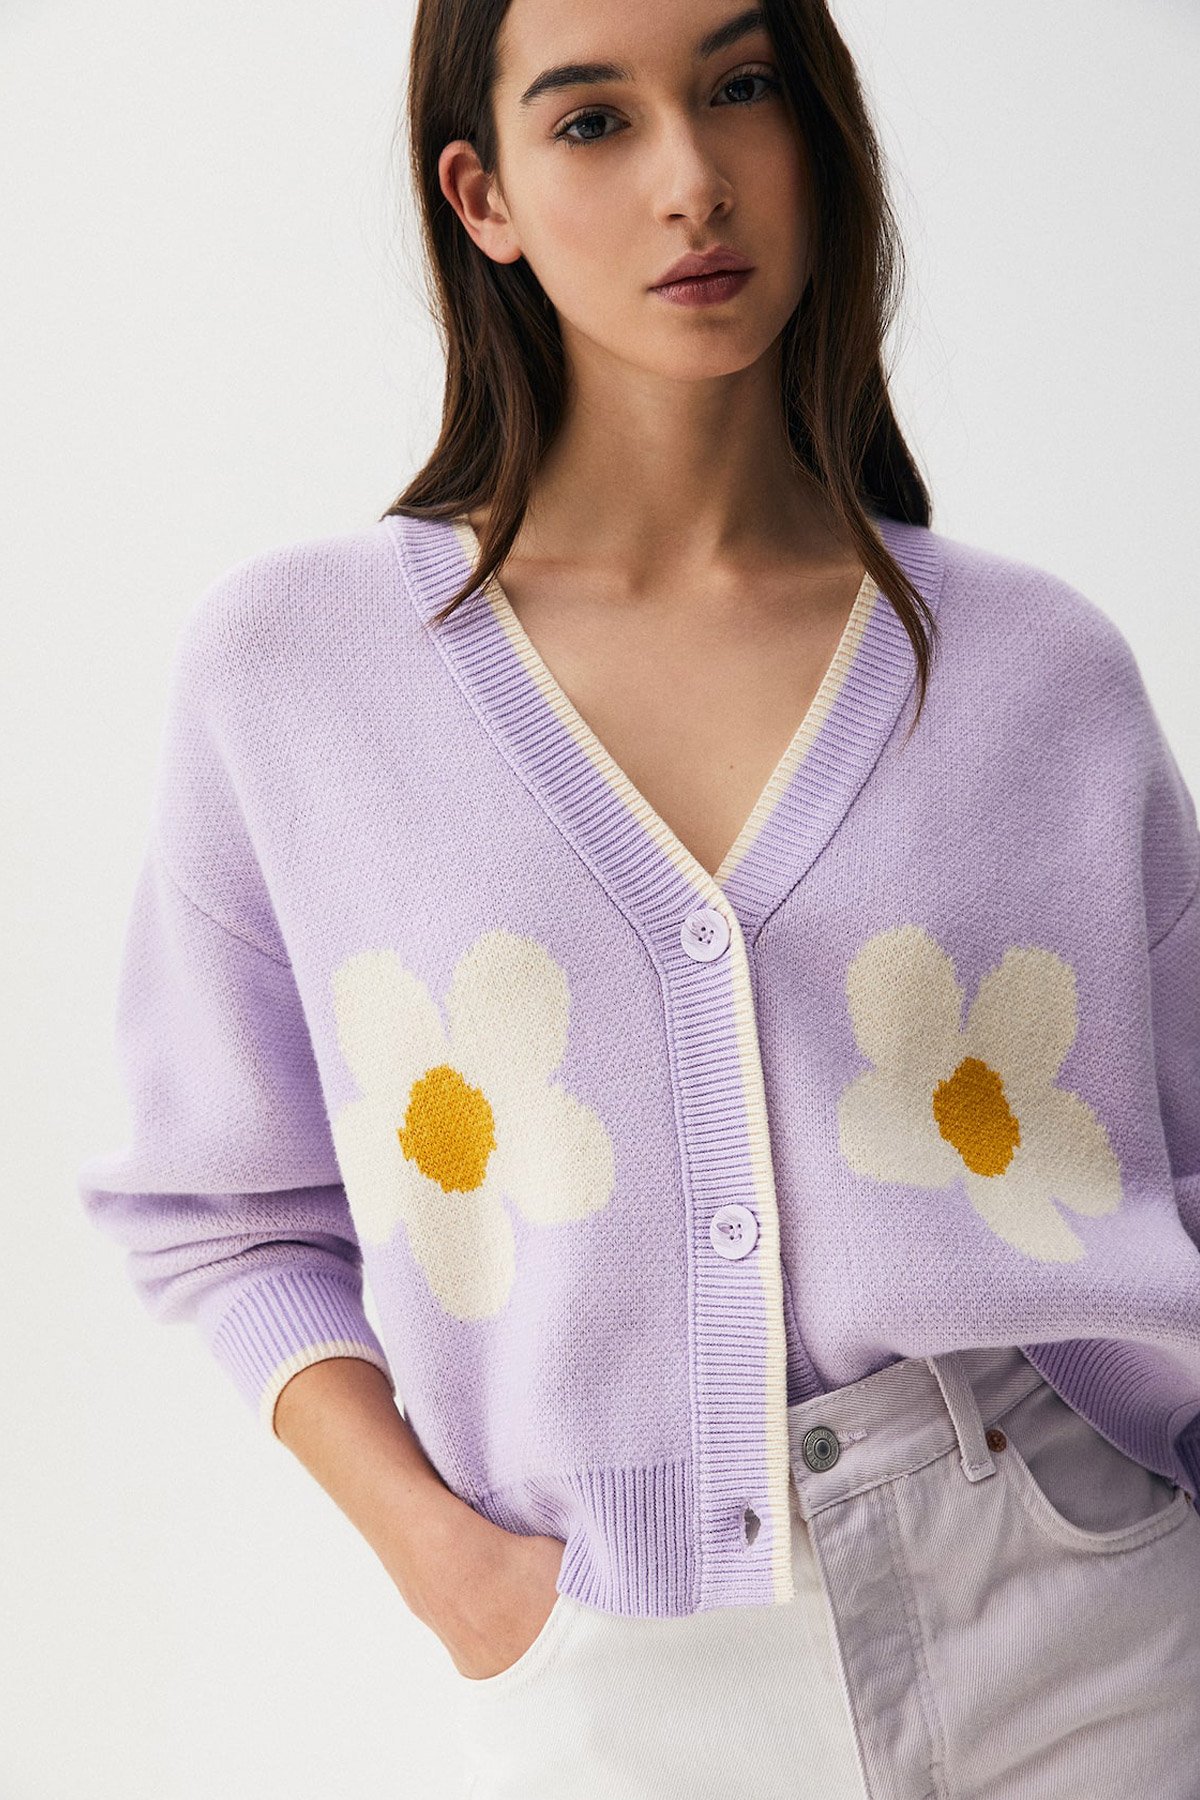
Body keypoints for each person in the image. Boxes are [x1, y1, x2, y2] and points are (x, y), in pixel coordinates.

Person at [78, 1, 1200, 1795]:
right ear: (484, 194)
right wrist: (453, 1574)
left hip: (1086, 1612)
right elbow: (217, 1213)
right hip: (620, 1660)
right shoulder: (298, 675)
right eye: (594, 121)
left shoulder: (1037, 672)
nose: (694, 180)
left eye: (741, 88)